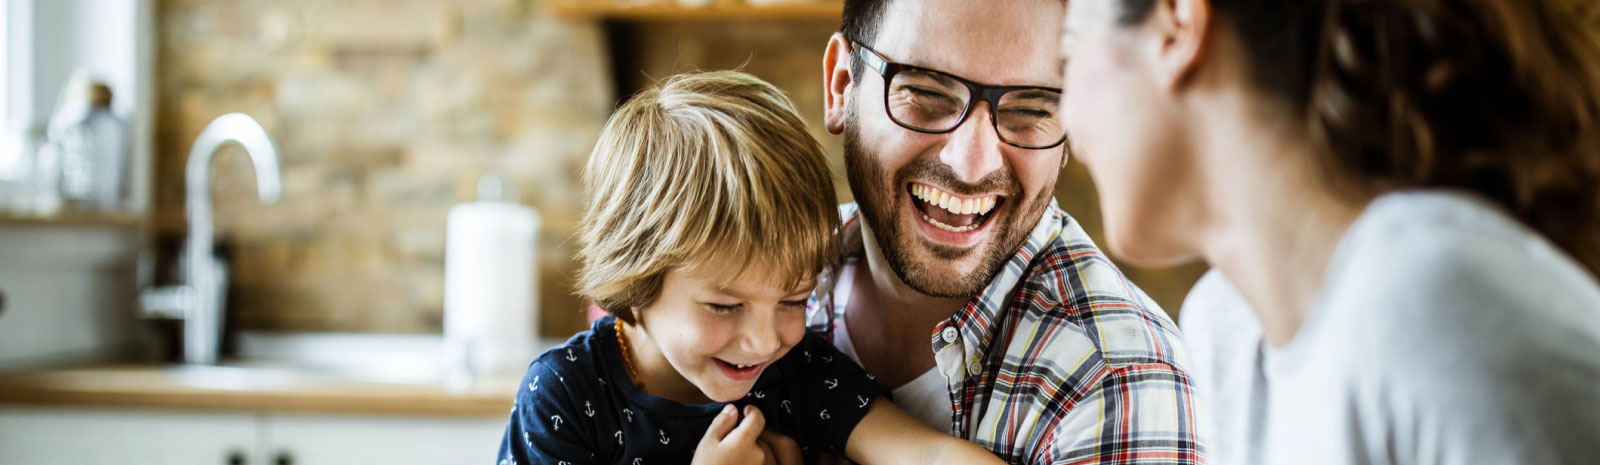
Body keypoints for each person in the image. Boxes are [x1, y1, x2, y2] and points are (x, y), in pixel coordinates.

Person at [1058, 0, 1600, 463]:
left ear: (1177, 25)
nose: (1066, 113)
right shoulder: (1226, 331)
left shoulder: (1432, 308)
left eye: (1071, 46)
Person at [496, 70, 1007, 465]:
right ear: (636, 281)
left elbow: (927, 454)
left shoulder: (799, 372)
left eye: (792, 300)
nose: (764, 341)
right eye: (724, 305)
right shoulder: (565, 393)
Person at [811, 0, 1203, 463]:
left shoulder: (1121, 383)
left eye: (1030, 108)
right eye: (927, 93)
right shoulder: (737, 265)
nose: (971, 164)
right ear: (841, 86)